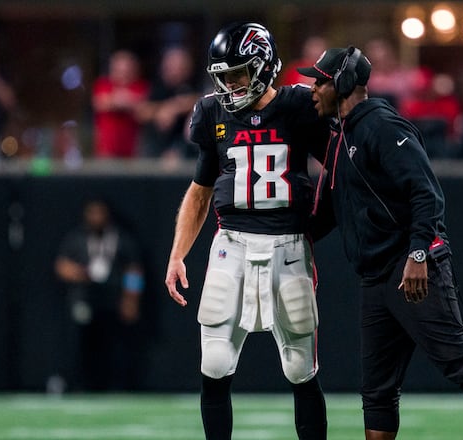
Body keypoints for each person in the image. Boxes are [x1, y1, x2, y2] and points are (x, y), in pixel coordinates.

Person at [298, 47, 463, 439]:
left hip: (410, 266)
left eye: (320, 80)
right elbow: (329, 211)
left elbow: (426, 193)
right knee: (378, 389)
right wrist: (285, 235)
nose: (312, 88)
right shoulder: (340, 138)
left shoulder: (382, 126)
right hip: (374, 276)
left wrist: (418, 254)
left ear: (344, 82)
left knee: (460, 362)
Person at [163, 22, 328, 440]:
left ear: (264, 65)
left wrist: (327, 220)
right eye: (223, 75)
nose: (230, 84)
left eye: (237, 72)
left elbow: (340, 169)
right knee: (215, 362)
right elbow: (200, 191)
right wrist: (177, 254)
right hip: (230, 244)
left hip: (287, 245)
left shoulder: (298, 106)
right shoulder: (213, 113)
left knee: (299, 366)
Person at [55, 197, 146, 391]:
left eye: (100, 213)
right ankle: (78, 384)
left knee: (114, 345)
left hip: (113, 299)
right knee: (80, 343)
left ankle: (117, 386)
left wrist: (131, 300)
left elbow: (134, 270)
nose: (96, 218)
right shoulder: (77, 237)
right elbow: (61, 265)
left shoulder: (121, 238)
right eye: (92, 213)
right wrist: (81, 273)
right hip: (84, 297)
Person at [136, 46, 200, 163]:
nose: (176, 71)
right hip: (155, 148)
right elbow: (142, 111)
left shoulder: (194, 84)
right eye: (172, 67)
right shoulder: (156, 86)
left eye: (181, 68)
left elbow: (203, 99)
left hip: (184, 150)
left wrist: (174, 108)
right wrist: (163, 110)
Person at [92, 50, 149, 158]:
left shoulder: (140, 86)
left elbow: (144, 111)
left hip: (132, 151)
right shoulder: (103, 84)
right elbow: (99, 103)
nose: (123, 74)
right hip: (106, 150)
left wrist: (119, 100)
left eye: (127, 70)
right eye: (120, 70)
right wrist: (127, 101)